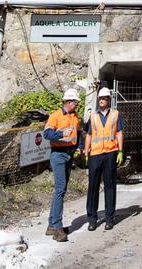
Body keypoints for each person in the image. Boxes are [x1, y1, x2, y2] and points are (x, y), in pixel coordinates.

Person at [43, 88, 83, 242]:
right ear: (68, 102)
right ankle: (57, 227)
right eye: (75, 102)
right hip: (58, 154)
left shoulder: (75, 117)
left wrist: (78, 146)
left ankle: (52, 225)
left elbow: (77, 132)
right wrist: (60, 134)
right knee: (60, 190)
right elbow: (47, 134)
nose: (77, 104)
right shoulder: (55, 116)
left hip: (69, 154)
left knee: (61, 190)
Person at [85, 87, 124, 231]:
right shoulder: (93, 116)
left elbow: (119, 132)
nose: (101, 100)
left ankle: (109, 218)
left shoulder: (115, 115)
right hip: (95, 154)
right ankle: (92, 219)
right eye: (100, 98)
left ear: (108, 100)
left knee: (110, 186)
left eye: (104, 98)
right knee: (93, 187)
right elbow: (89, 134)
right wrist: (86, 152)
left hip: (110, 153)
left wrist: (120, 150)